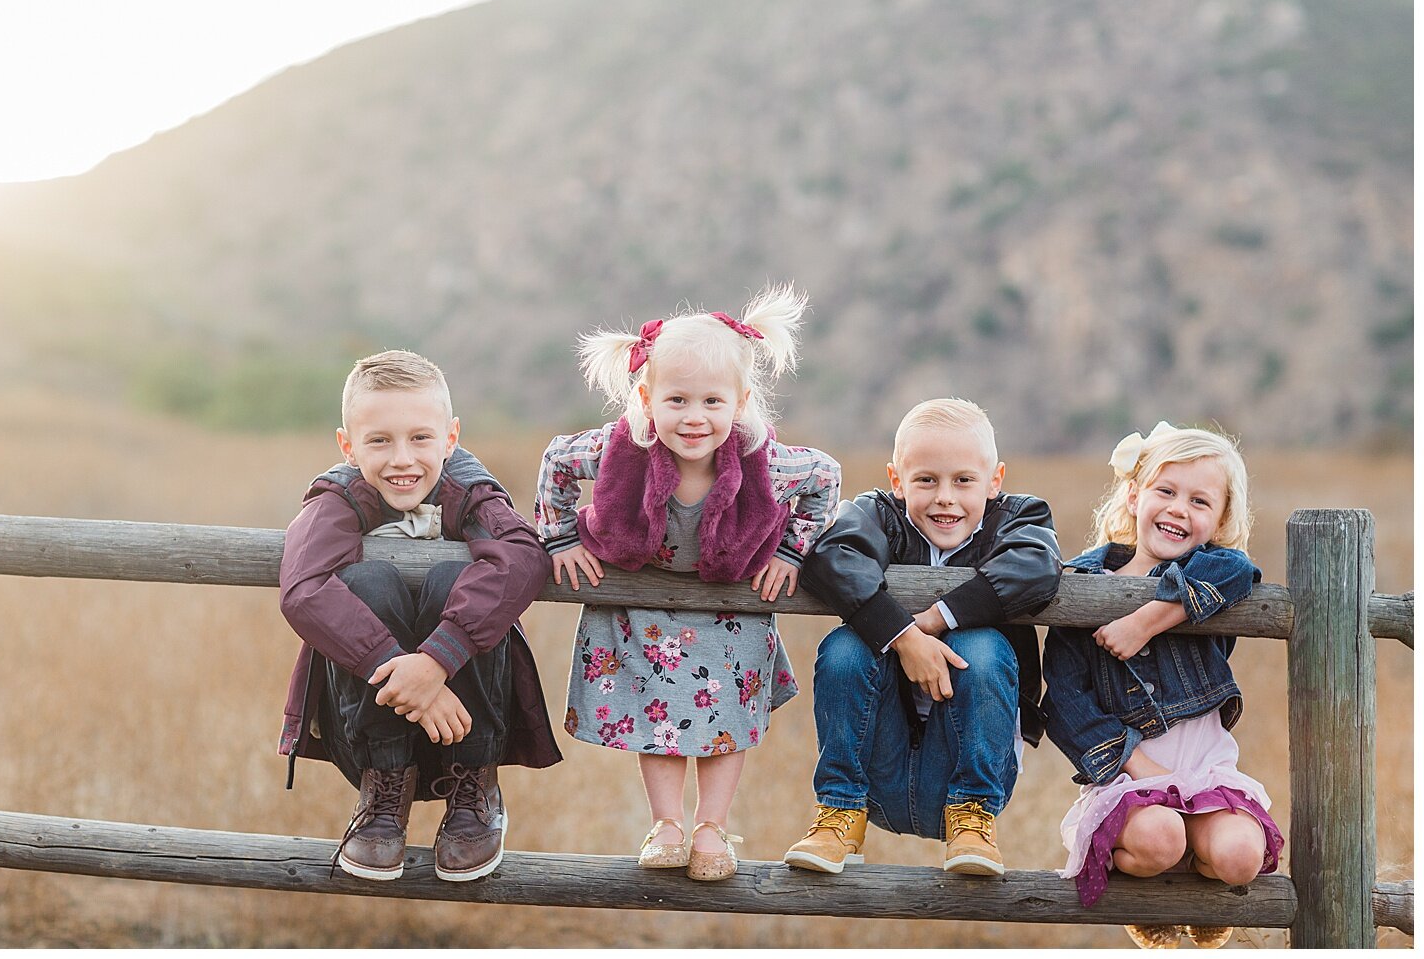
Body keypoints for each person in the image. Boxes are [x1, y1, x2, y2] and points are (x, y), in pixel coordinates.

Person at [535, 284, 840, 882]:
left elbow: (826, 479)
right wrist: (560, 539)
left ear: (741, 401)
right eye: (676, 400)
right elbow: (556, 464)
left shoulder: (768, 462)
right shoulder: (619, 447)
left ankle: (712, 828)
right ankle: (667, 824)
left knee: (725, 718)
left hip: (731, 607)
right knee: (657, 710)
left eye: (711, 401)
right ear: (646, 398)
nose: (693, 418)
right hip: (643, 599)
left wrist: (791, 551)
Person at [277, 349, 561, 884]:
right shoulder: (337, 499)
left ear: (451, 438)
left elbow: (524, 554)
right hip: (365, 735)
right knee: (367, 582)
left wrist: (437, 659)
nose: (402, 459)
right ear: (347, 445)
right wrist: (401, 667)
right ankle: (383, 793)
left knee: (451, 579)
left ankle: (473, 790)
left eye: (421, 438)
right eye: (379, 440)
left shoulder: (471, 493)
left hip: (473, 728)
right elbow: (303, 588)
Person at [786, 398, 1060, 877]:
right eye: (926, 480)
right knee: (845, 647)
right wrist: (903, 638)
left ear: (995, 481)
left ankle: (973, 820)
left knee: (982, 647)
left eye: (964, 480)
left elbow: (1036, 567)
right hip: (877, 773)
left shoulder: (1020, 518)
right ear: (897, 481)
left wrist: (932, 621)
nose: (945, 498)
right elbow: (831, 556)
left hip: (966, 772)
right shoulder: (877, 514)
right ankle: (839, 813)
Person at [1041, 422, 1284, 950]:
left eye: (1200, 501)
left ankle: (1203, 882)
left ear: (1219, 520)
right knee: (1158, 838)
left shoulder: (1216, 575)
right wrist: (1134, 761)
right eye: (1166, 491)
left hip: (1204, 770)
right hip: (1129, 780)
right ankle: (1142, 885)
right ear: (1134, 494)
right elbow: (1063, 700)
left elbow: (1238, 567)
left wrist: (1144, 622)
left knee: (1241, 857)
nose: (1178, 509)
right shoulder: (1082, 585)